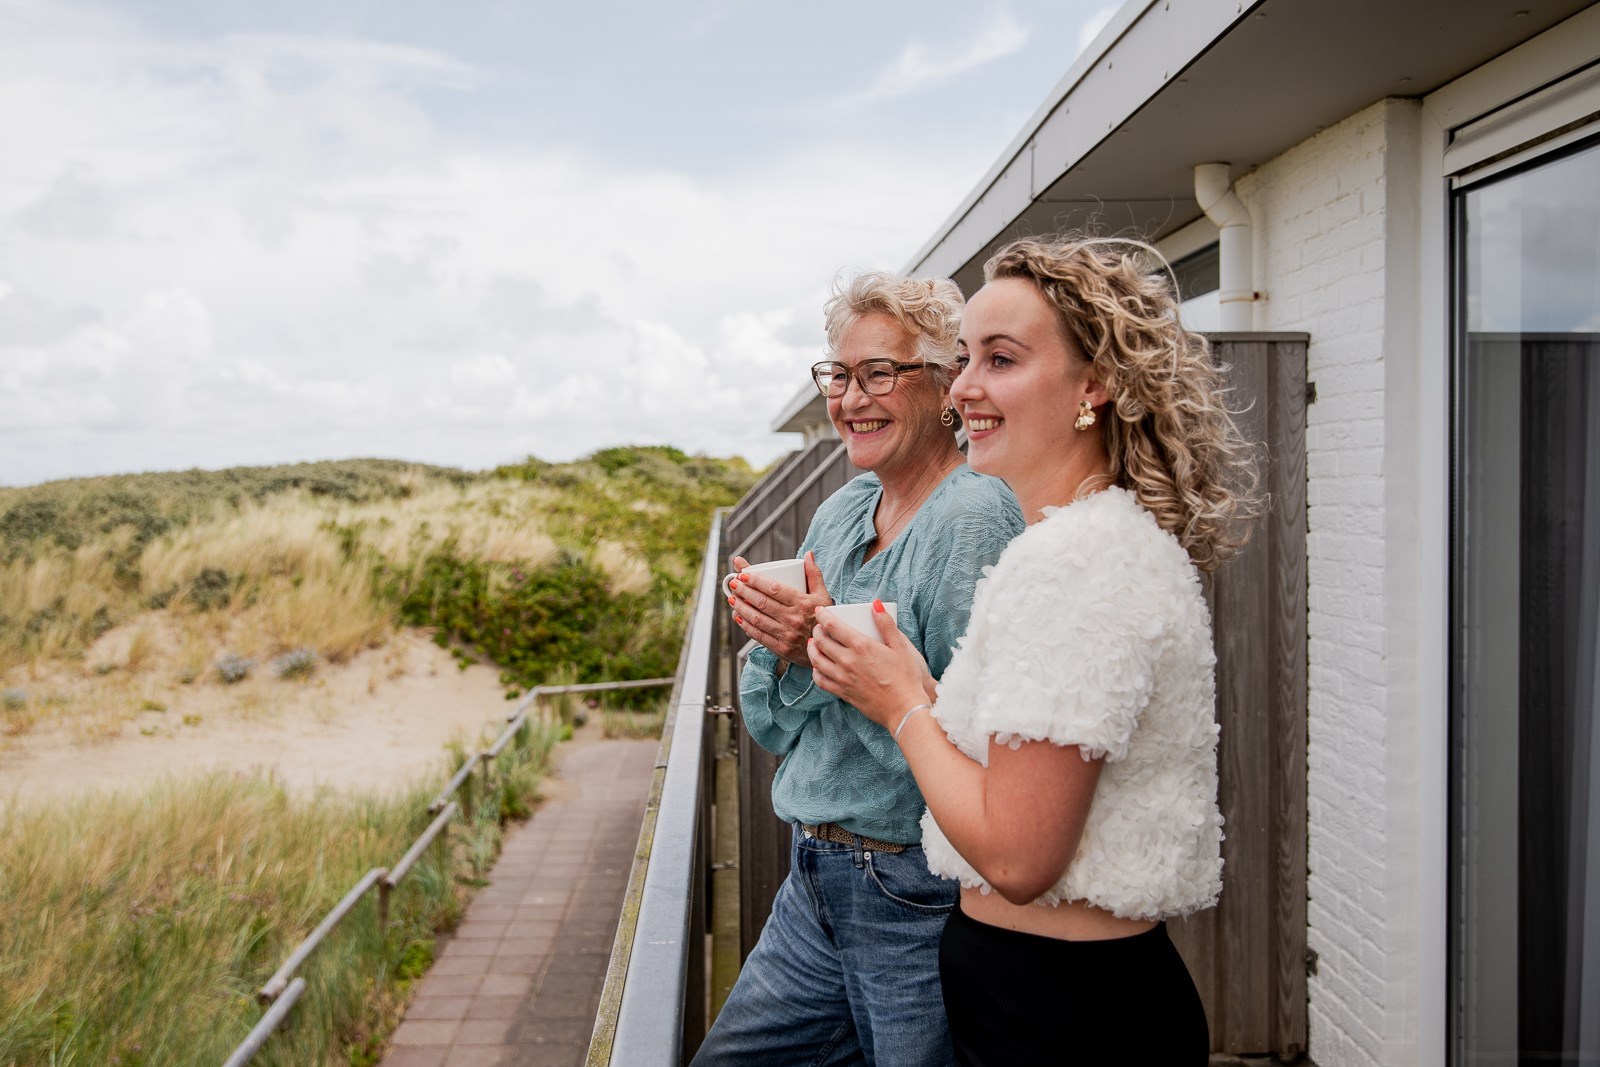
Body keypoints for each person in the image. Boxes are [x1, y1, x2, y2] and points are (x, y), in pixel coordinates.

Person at [808, 236, 1259, 1065]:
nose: (965, 388)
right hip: (1043, 995)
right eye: (965, 358)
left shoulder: (1077, 562)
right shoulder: (1077, 543)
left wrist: (900, 700)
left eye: (1002, 359)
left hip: (1064, 1015)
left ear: (1096, 384)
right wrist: (906, 675)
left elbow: (1018, 855)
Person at [693, 272, 1023, 1066]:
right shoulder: (843, 510)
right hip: (813, 872)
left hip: (912, 893)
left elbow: (969, 754)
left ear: (946, 382)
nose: (850, 397)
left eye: (879, 372)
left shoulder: (974, 516)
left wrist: (826, 650)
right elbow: (774, 723)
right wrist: (789, 645)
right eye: (838, 375)